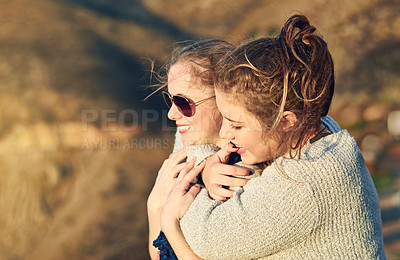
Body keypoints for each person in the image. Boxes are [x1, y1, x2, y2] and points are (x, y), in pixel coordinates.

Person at [160, 14, 386, 259]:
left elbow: (207, 240)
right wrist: (205, 165)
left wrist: (171, 210)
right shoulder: (318, 128)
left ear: (286, 121)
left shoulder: (303, 184)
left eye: (236, 125)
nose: (225, 134)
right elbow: (190, 133)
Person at [147, 39, 253, 260]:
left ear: (224, 100)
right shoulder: (187, 151)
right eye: (170, 100)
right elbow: (159, 255)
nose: (171, 114)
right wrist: (155, 206)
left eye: (183, 103)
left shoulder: (245, 172)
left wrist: (165, 215)